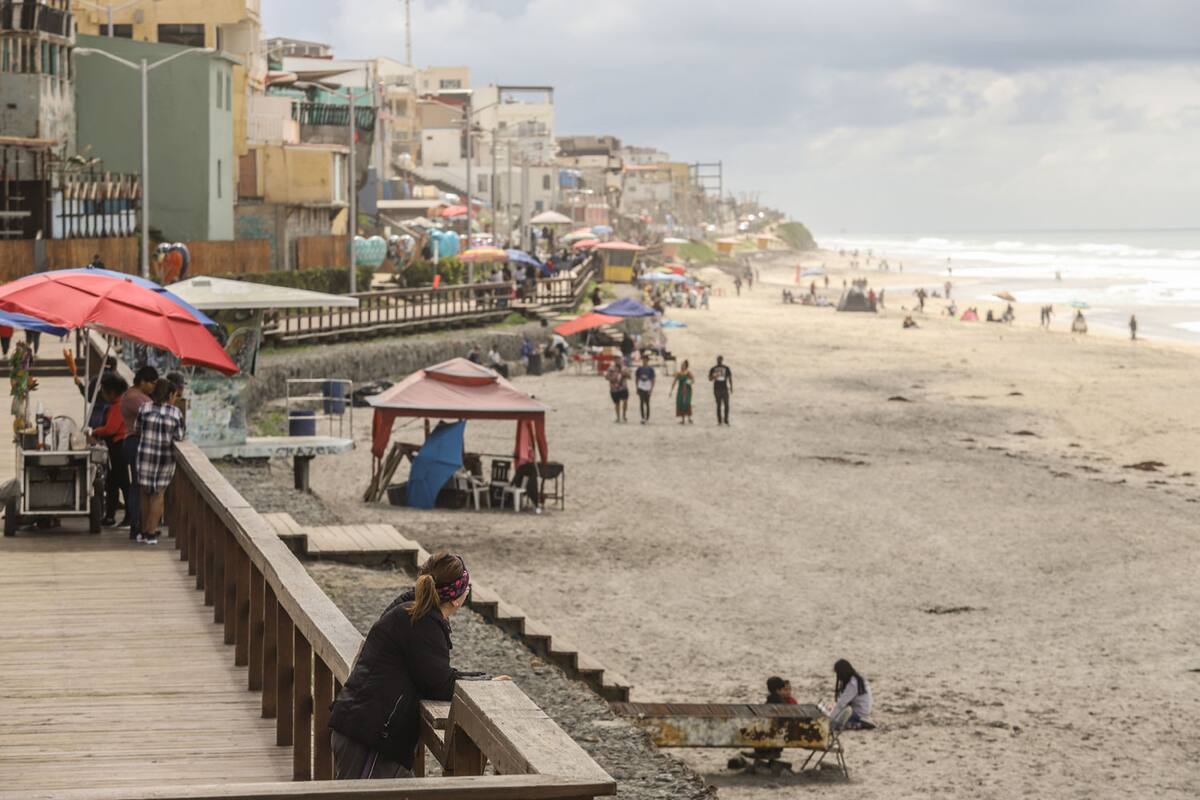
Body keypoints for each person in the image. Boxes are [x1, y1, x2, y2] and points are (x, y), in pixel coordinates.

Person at [329, 553, 508, 779]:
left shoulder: (413, 611)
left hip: (364, 731)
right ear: (456, 599)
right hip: (370, 740)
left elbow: (432, 675)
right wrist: (485, 683)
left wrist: (481, 679)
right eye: (467, 587)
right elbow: (439, 684)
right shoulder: (422, 622)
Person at [134, 378, 185, 544]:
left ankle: (143, 532)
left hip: (145, 456)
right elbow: (179, 436)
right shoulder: (175, 413)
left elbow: (137, 429)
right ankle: (151, 532)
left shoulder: (144, 408)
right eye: (175, 395)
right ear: (170, 395)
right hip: (164, 458)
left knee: (144, 493)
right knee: (158, 493)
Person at [119, 366, 157, 540]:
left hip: (139, 443)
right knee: (138, 485)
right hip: (135, 442)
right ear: (142, 382)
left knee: (141, 485)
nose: (153, 387)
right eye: (152, 383)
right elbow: (151, 415)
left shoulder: (138, 395)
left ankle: (143, 523)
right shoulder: (133, 397)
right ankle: (136, 523)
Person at [89, 373, 131, 527]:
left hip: (118, 446)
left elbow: (111, 428)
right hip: (115, 446)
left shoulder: (118, 406)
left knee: (122, 482)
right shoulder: (117, 405)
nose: (103, 395)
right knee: (112, 482)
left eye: (104, 392)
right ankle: (110, 515)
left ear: (112, 392)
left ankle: (129, 515)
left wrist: (95, 431)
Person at [829, 659, 875, 730]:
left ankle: (858, 724)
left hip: (859, 713)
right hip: (864, 711)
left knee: (837, 722)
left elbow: (841, 703)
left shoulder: (853, 684)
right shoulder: (857, 679)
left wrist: (830, 719)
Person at [708, 355, 733, 426]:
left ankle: (726, 419)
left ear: (722, 360)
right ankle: (720, 420)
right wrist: (714, 376)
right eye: (718, 360)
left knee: (726, 404)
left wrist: (731, 387)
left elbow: (729, 377)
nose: (719, 361)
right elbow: (710, 379)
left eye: (720, 360)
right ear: (717, 360)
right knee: (719, 405)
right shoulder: (713, 368)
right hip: (717, 388)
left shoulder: (726, 368)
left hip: (724, 388)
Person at [670, 360, 694, 424]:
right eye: (682, 365)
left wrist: (686, 383)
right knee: (680, 402)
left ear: (686, 366)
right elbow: (674, 381)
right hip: (680, 389)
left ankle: (689, 418)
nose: (682, 366)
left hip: (687, 389)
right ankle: (683, 419)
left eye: (683, 365)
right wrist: (671, 390)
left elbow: (693, 380)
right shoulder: (679, 373)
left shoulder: (688, 373)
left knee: (687, 402)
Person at [634, 355, 655, 424]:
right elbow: (637, 379)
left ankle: (647, 417)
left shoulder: (650, 369)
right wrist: (637, 387)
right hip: (641, 386)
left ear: (647, 360)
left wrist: (651, 389)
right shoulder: (639, 369)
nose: (644, 361)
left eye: (645, 359)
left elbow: (652, 379)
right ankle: (643, 417)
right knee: (641, 402)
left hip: (647, 386)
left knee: (647, 402)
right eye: (643, 359)